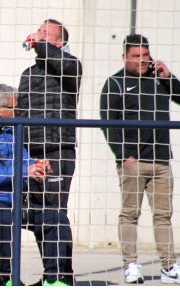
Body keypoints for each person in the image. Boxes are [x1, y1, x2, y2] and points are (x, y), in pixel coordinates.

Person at [100, 34, 180, 284]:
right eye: (136, 56)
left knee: (163, 215)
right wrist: (124, 156)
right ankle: (131, 265)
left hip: (161, 161)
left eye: (145, 55)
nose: (142, 60)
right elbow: (107, 122)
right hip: (133, 162)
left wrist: (170, 78)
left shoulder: (160, 79)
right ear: (125, 57)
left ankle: (169, 267)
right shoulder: (115, 82)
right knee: (130, 214)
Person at [17, 19, 80, 286]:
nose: (38, 36)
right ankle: (52, 276)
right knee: (39, 215)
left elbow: (61, 63)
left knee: (55, 212)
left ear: (59, 42)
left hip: (58, 151)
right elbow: (19, 111)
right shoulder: (28, 74)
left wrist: (40, 45)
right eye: (38, 32)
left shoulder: (71, 66)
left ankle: (60, 276)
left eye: (45, 34)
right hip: (33, 153)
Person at [0, 84, 50, 286]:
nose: (18, 112)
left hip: (19, 199)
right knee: (3, 215)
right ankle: (8, 279)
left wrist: (37, 166)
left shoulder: (11, 131)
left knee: (57, 219)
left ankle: (57, 277)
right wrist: (25, 171)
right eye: (14, 108)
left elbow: (25, 160)